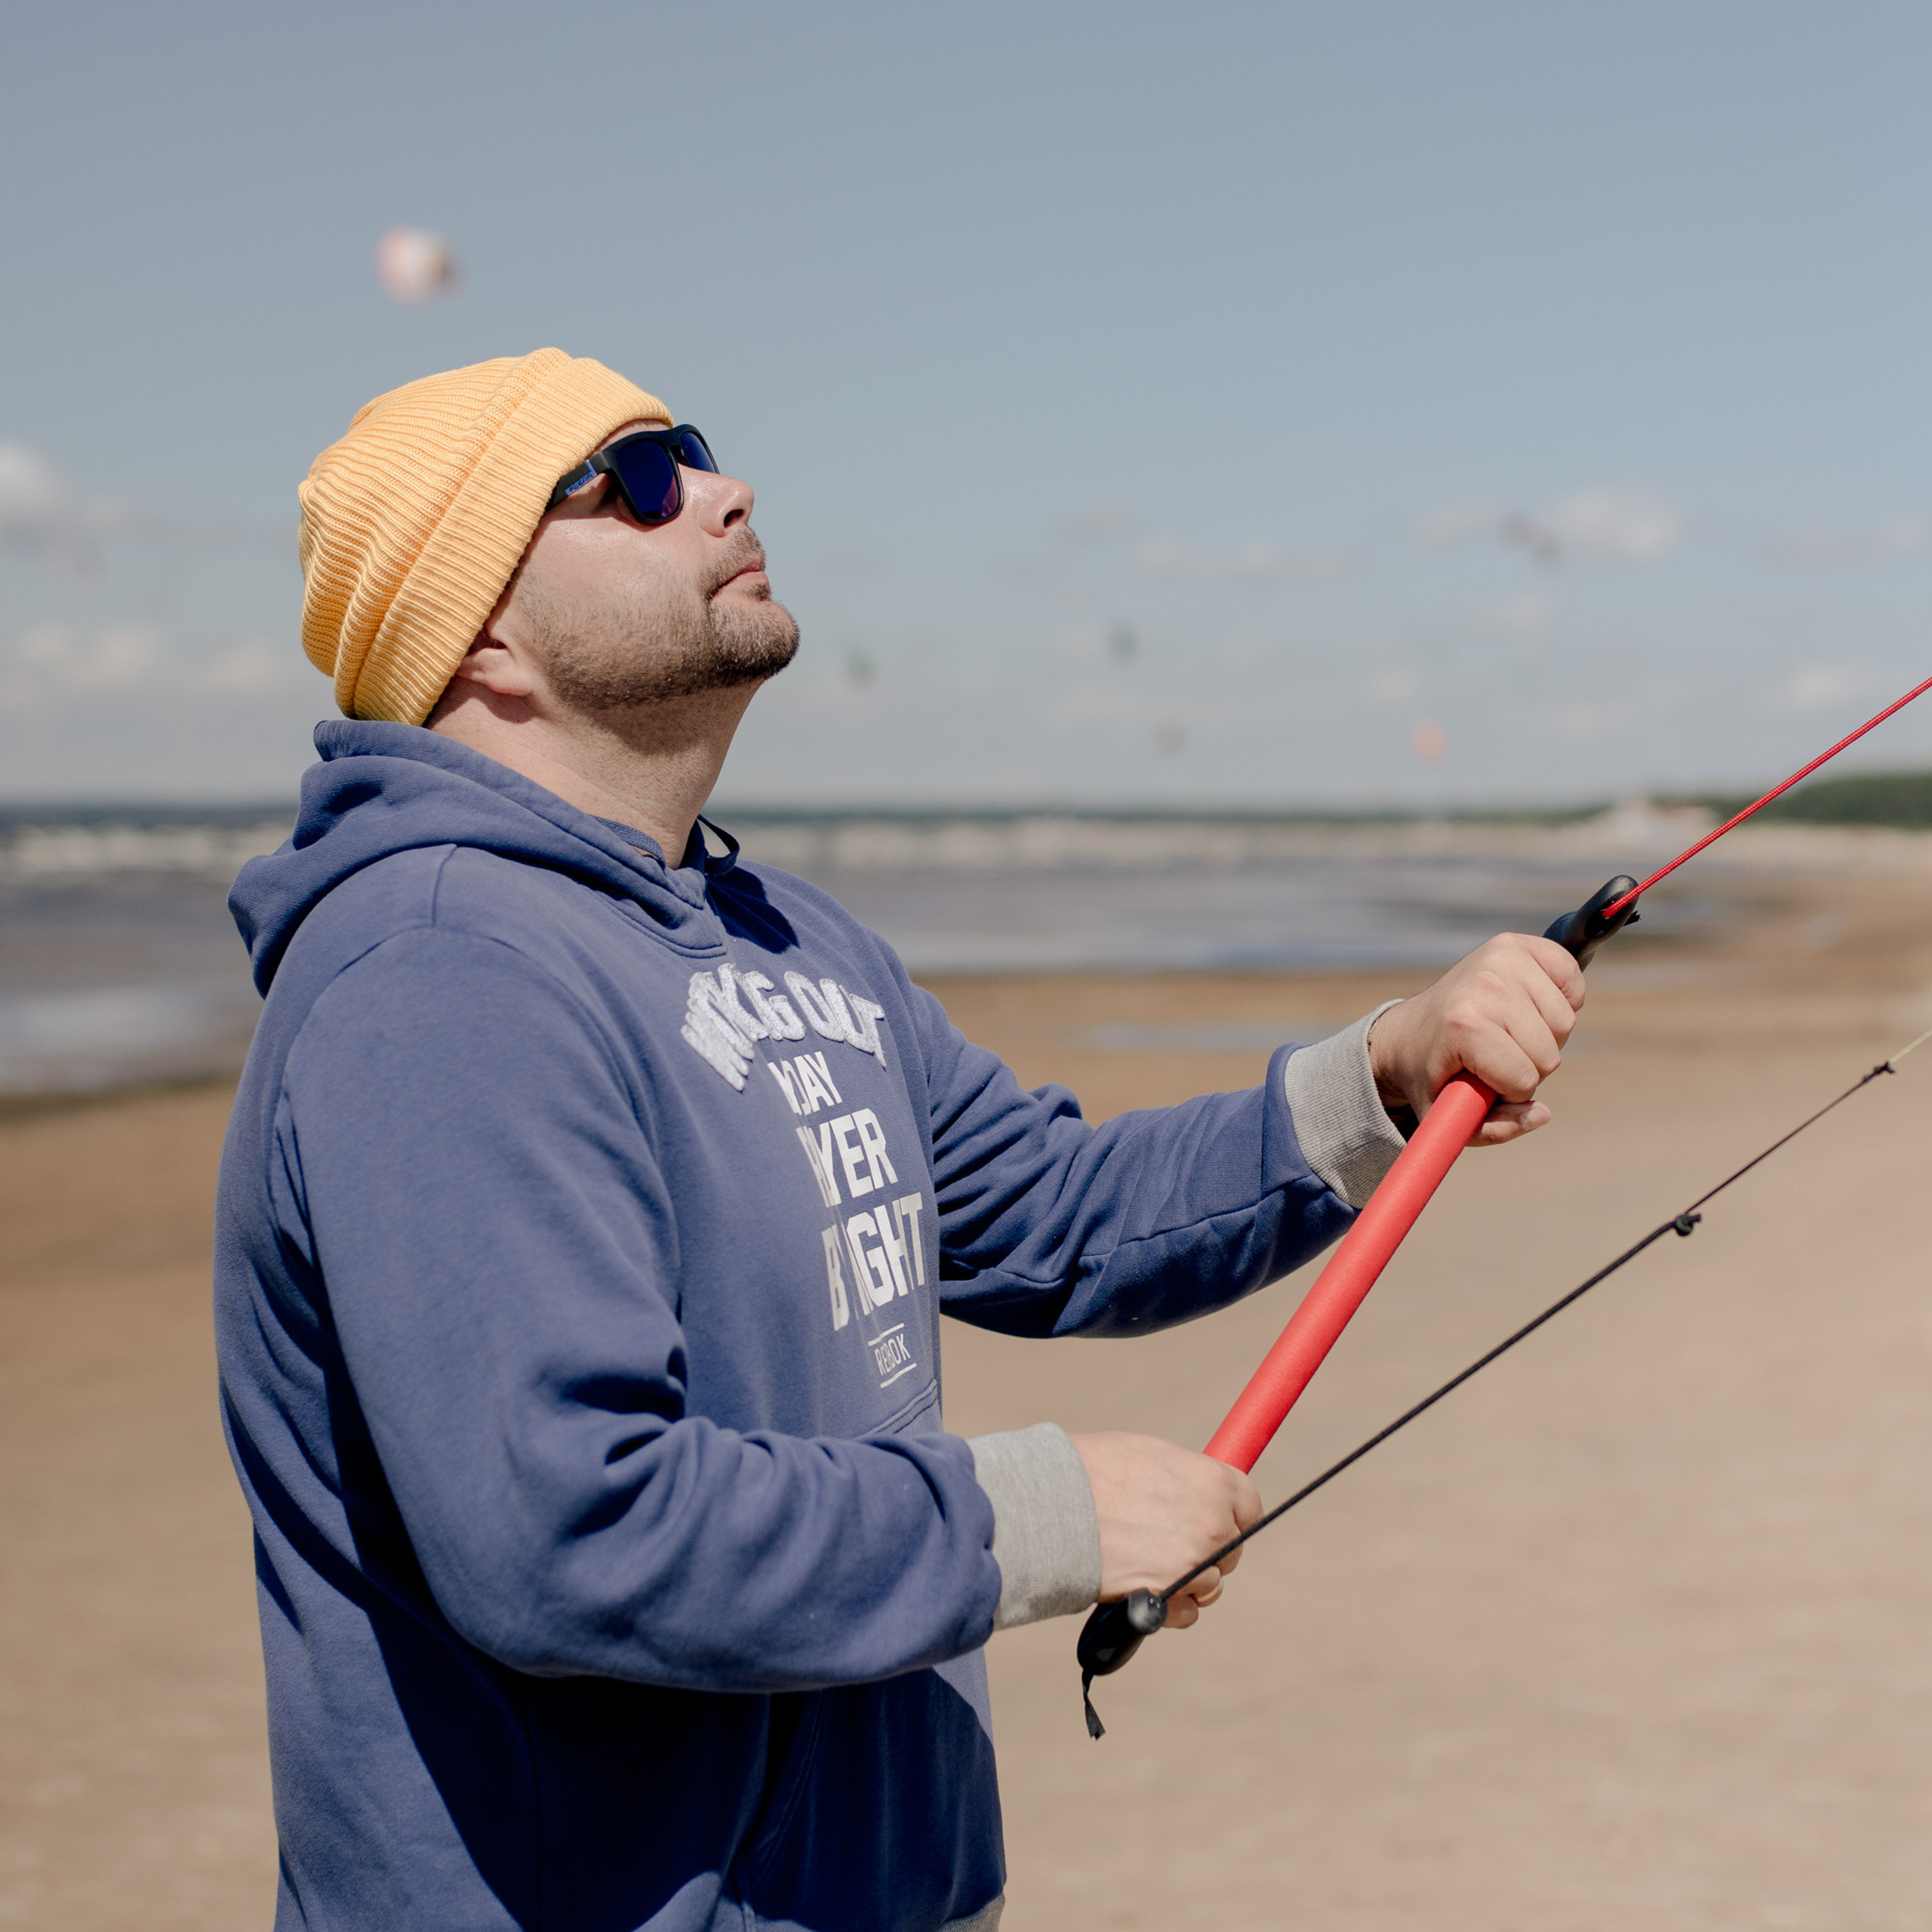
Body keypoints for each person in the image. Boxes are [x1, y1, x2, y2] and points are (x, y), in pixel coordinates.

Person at [215, 349, 1584, 1932]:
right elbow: (567, 1525)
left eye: (696, 448)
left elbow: (1054, 1214)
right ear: (480, 635)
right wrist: (1040, 1516)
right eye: (637, 482)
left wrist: (1385, 1075)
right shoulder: (439, 971)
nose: (723, 491)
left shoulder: (788, 936)